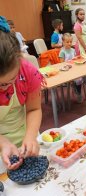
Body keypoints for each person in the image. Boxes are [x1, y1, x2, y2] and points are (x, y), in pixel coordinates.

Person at [0, 16, 44, 170]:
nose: (5, 89)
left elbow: (34, 109)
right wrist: (3, 142)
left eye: (10, 81)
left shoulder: (28, 72)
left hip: (25, 134)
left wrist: (30, 137)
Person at [59, 33, 83, 103]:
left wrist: (77, 58)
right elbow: (61, 64)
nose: (69, 43)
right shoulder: (62, 52)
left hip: (74, 70)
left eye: (70, 42)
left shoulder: (73, 50)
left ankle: (78, 92)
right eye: (67, 42)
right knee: (77, 79)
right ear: (63, 42)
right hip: (67, 72)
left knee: (80, 79)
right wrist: (67, 66)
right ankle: (77, 91)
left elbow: (75, 59)